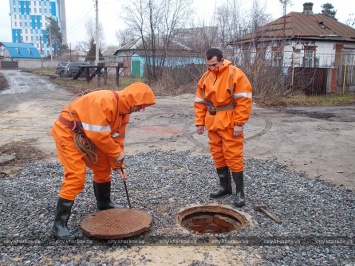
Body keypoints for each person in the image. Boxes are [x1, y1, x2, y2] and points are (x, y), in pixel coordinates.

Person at [50, 82, 156, 240]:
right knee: (76, 176)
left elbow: (116, 141)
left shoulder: (124, 113)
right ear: (131, 100)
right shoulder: (105, 101)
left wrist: (118, 165)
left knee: (103, 168)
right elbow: (98, 135)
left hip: (89, 137)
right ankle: (58, 226)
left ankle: (104, 203)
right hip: (68, 133)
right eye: (141, 105)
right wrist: (116, 153)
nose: (142, 109)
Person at [194, 48, 252, 208]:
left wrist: (239, 123)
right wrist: (199, 122)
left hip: (229, 122)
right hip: (212, 122)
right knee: (218, 154)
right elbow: (200, 101)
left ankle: (240, 192)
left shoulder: (235, 74)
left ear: (221, 60)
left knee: (233, 155)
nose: (211, 68)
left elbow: (244, 100)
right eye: (208, 65)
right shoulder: (205, 77)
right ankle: (225, 187)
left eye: (214, 65)